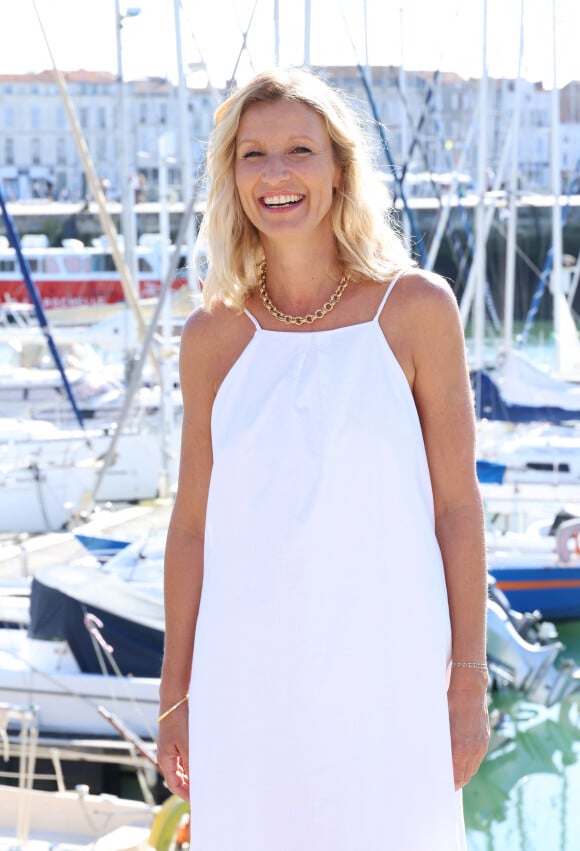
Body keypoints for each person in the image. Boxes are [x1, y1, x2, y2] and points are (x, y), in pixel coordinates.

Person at [157, 67, 489, 851]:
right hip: (246, 687)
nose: (276, 174)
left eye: (299, 150)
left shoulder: (415, 308)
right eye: (253, 154)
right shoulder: (212, 335)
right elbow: (192, 527)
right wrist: (176, 694)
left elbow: (457, 508)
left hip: (391, 680)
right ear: (231, 175)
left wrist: (468, 679)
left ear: (339, 168)